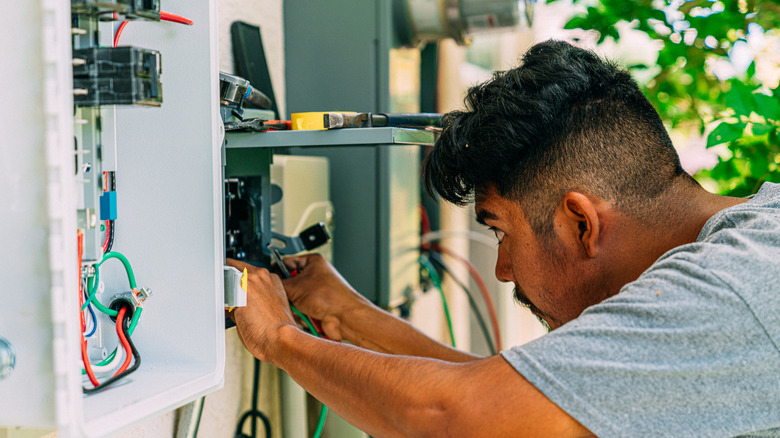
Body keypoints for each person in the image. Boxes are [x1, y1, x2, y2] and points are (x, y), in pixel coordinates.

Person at [226, 40, 780, 437]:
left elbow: (461, 418)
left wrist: (279, 338)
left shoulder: (738, 283)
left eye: (501, 232)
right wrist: (347, 314)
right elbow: (525, 401)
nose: (503, 271)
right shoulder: (749, 257)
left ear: (580, 223)